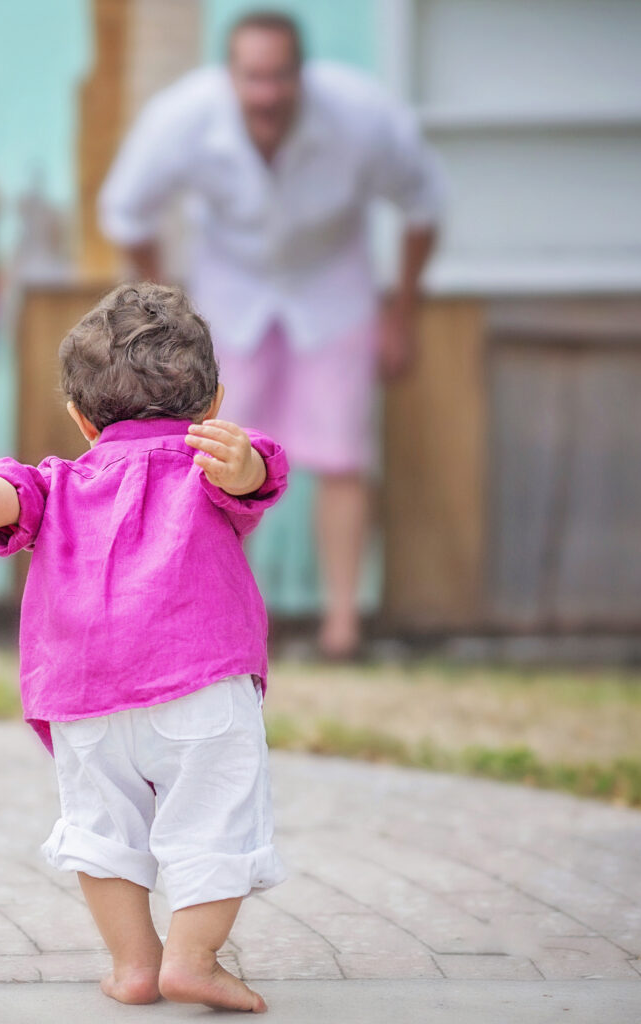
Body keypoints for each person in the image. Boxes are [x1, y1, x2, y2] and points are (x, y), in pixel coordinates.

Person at [0, 283, 288, 1012]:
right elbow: (254, 474)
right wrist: (244, 466)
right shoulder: (208, 463)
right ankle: (193, 959)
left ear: (81, 418)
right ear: (213, 404)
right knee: (216, 817)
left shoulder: (59, 482)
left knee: (102, 831)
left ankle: (135, 966)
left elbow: (10, 500)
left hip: (85, 698)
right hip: (199, 680)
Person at [99, 9, 445, 658]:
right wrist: (167, 313)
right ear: (229, 76)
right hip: (227, 296)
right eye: (253, 77)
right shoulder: (182, 118)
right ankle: (230, 623)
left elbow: (424, 204)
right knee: (218, 458)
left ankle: (343, 629)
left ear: (302, 75)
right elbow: (125, 211)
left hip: (335, 289)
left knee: (343, 455)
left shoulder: (362, 115)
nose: (267, 93)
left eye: (280, 77)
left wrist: (402, 314)